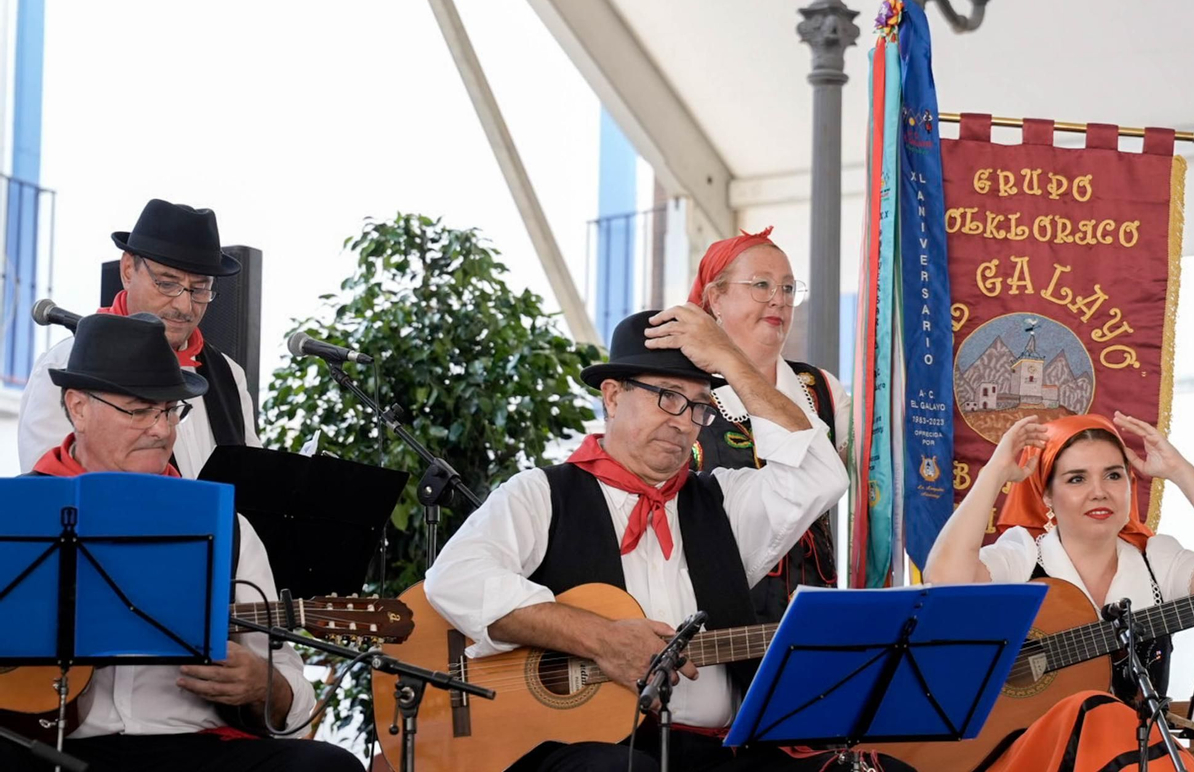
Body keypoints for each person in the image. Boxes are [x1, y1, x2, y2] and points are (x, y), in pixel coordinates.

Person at [422, 307, 852, 772]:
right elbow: (456, 578)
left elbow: (819, 476)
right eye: (667, 397)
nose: (684, 422)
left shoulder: (724, 500)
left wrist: (730, 359)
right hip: (578, 750)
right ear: (611, 396)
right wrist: (600, 638)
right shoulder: (541, 493)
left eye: (699, 406)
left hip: (718, 752)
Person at [28, 312, 357, 772]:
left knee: (326, 767)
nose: (162, 430)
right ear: (78, 407)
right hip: (41, 741)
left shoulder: (228, 526)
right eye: (140, 410)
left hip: (193, 746)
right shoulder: (18, 512)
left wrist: (265, 687)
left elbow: (291, 694)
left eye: (170, 410)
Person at [924, 411, 1194, 771]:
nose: (1099, 492)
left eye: (1113, 475)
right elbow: (946, 580)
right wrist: (994, 473)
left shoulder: (1157, 560)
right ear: (1046, 493)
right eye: (1077, 479)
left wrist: (1180, 472)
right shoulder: (1023, 556)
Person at [18, 198, 261, 477]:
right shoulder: (65, 363)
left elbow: (250, 484)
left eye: (199, 290)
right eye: (167, 283)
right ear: (128, 271)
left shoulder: (229, 373)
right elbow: (48, 494)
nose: (184, 306)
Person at [687, 227, 843, 622]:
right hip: (717, 620)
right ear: (715, 298)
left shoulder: (821, 388)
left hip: (813, 613)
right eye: (761, 285)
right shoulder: (684, 392)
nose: (779, 300)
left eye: (789, 289)